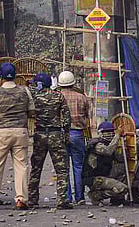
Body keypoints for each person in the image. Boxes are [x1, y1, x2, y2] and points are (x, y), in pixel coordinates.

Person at [0, 62, 35, 210]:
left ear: (1, 77)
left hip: (1, 132)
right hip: (20, 131)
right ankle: (21, 199)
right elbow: (32, 112)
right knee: (21, 166)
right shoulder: (25, 91)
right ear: (15, 76)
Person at [27, 73, 73, 209]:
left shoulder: (34, 97)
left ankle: (32, 199)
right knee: (61, 169)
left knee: (36, 168)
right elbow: (66, 117)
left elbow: (29, 113)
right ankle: (62, 200)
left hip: (39, 134)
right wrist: (66, 133)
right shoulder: (58, 96)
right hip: (56, 134)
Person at [58, 71, 90, 205]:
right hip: (78, 134)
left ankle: (67, 197)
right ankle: (80, 197)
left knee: (64, 167)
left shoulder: (57, 97)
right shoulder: (81, 97)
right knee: (78, 166)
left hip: (61, 133)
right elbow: (87, 116)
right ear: (73, 83)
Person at [82, 122, 128, 206]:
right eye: (107, 132)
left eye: (111, 132)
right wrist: (117, 136)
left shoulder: (109, 144)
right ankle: (95, 195)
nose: (110, 134)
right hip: (94, 178)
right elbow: (108, 151)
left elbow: (121, 159)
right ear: (100, 133)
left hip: (104, 175)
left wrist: (124, 145)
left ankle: (116, 199)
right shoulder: (96, 144)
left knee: (122, 168)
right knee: (122, 188)